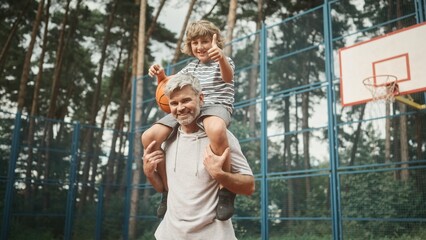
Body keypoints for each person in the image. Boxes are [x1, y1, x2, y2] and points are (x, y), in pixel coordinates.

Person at [141, 19, 236, 220]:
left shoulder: (224, 61)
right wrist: (160, 76)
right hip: (189, 107)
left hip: (216, 106)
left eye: (205, 41)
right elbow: (170, 87)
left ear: (215, 42)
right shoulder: (190, 68)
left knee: (217, 129)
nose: (200, 47)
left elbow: (228, 77)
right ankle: (167, 192)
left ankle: (225, 191)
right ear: (190, 46)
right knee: (149, 137)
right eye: (195, 43)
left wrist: (221, 58)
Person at [143, 73, 254, 239]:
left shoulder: (222, 137)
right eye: (174, 103)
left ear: (201, 99)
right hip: (170, 235)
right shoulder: (166, 140)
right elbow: (163, 189)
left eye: (186, 100)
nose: (180, 108)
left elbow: (249, 186)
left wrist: (221, 175)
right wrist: (149, 173)